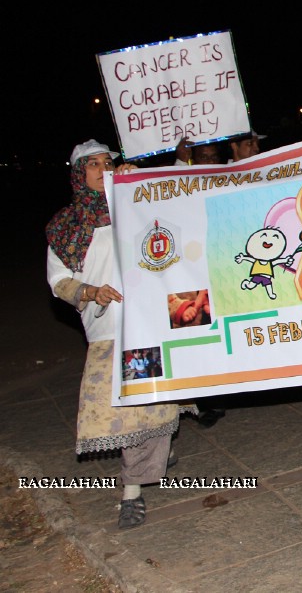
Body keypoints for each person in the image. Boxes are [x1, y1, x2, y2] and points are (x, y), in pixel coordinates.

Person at [46, 140, 182, 530]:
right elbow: (59, 280)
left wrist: (142, 187)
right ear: (78, 174)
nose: (104, 168)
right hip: (107, 326)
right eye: (94, 164)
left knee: (153, 403)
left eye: (109, 162)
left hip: (148, 319)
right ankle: (149, 466)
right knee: (125, 412)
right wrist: (89, 292)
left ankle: (132, 492)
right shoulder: (65, 227)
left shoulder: (136, 203)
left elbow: (179, 214)